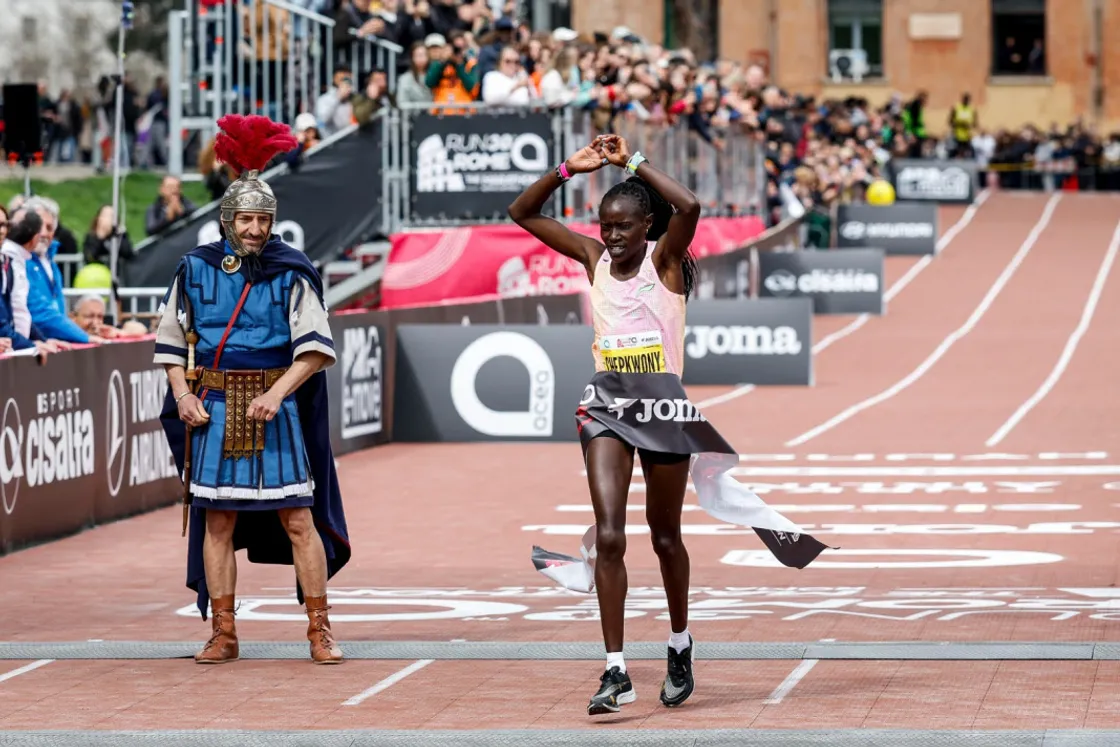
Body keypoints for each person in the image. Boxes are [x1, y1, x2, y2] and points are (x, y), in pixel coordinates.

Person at [509, 135, 829, 716]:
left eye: (623, 226)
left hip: (662, 411)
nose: (611, 236)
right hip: (605, 406)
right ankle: (615, 670)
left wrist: (630, 161)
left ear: (648, 226)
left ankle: (680, 645)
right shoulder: (592, 260)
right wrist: (568, 168)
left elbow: (691, 207)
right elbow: (522, 213)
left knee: (663, 537)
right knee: (609, 534)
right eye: (605, 225)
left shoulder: (663, 263)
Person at [154, 113, 351, 666]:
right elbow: (171, 341)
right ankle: (224, 633)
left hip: (274, 409)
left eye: (263, 219)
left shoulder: (293, 270)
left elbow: (315, 347)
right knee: (217, 520)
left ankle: (319, 630)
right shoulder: (194, 269)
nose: (256, 230)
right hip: (214, 407)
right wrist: (183, 396)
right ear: (227, 219)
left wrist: (278, 393)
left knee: (298, 519)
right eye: (246, 219)